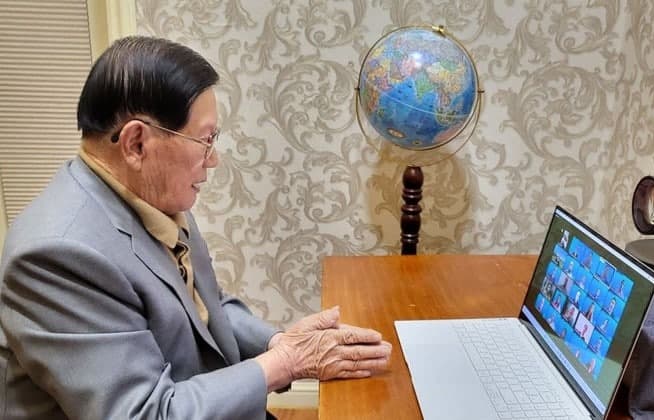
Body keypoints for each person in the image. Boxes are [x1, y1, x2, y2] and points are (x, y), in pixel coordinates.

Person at [0, 36, 392, 420]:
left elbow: (208, 306)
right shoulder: (56, 256)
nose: (213, 159)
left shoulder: (150, 195)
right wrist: (286, 363)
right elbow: (145, 413)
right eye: (205, 140)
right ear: (136, 144)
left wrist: (280, 343)